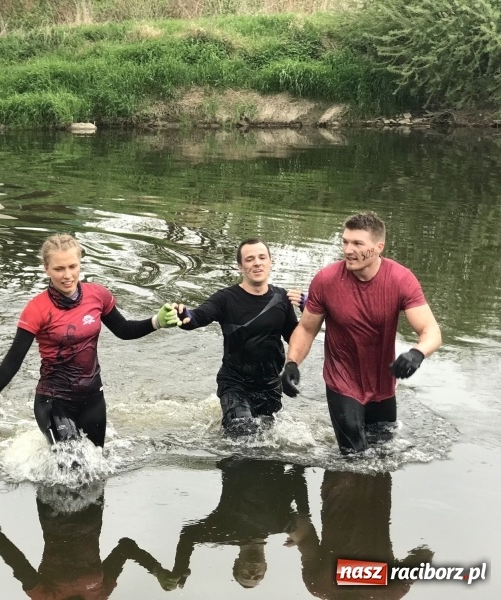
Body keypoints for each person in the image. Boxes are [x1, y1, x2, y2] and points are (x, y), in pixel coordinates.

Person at [0, 233, 179, 448]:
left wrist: (156, 322)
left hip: (93, 399)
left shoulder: (97, 295)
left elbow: (123, 330)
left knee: (96, 469)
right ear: (46, 268)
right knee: (73, 465)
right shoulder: (37, 309)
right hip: (54, 401)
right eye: (58, 269)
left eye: (72, 266)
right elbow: (14, 359)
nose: (67, 275)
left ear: (80, 263)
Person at [280, 211, 441, 453]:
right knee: (354, 455)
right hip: (341, 380)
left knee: (383, 454)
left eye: (357, 243)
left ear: (378, 247)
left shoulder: (400, 279)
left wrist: (417, 353)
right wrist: (292, 363)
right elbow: (306, 328)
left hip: (383, 383)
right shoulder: (326, 280)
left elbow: (431, 331)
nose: (347, 250)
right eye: (345, 241)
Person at [174, 238, 302, 435]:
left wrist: (309, 312)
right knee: (242, 433)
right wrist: (184, 315)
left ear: (270, 261)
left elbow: (296, 336)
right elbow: (196, 318)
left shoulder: (282, 298)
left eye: (262, 257)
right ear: (240, 267)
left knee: (267, 441)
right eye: (250, 259)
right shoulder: (225, 298)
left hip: (270, 385)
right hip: (235, 382)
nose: (257, 263)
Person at [0, 482, 167, 599]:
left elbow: (17, 563)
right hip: (92, 511)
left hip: (55, 517)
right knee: (88, 450)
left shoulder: (44, 597)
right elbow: (126, 548)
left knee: (56, 454)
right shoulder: (100, 596)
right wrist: (156, 569)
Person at [157, 457, 310, 591]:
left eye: (246, 575)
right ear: (265, 567)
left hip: (239, 455)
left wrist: (181, 566)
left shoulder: (224, 532)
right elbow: (296, 478)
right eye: (258, 576)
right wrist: (303, 514)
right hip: (273, 455)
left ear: (237, 562)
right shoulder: (283, 525)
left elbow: (188, 535)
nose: (253, 573)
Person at [287, 469, 433, 599]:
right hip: (340, 481)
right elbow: (305, 537)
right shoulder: (319, 586)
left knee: (373, 446)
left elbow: (424, 554)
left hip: (374, 480)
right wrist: (286, 527)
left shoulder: (390, 591)